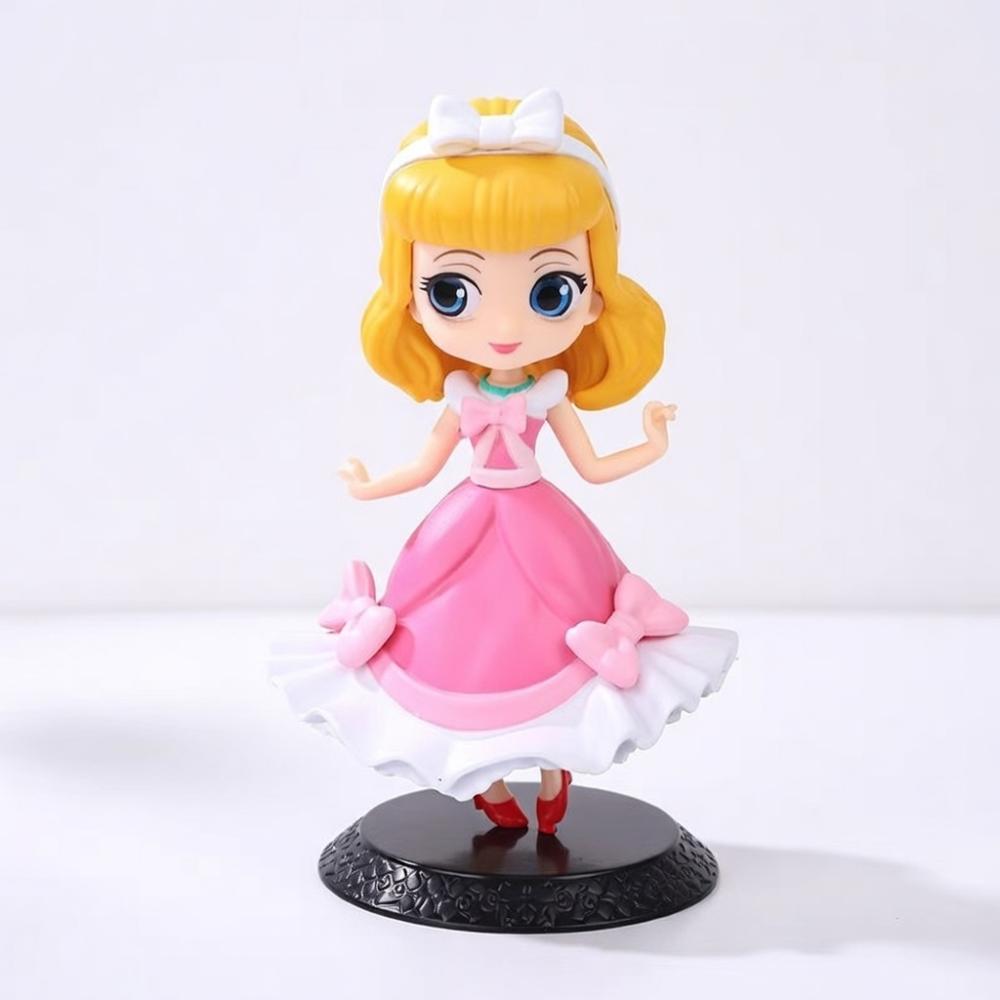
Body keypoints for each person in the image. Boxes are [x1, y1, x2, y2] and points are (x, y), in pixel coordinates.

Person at [269, 89, 738, 835]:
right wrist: (370, 486)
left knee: (554, 641)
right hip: (464, 522)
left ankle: (553, 770)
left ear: (593, 297)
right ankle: (485, 782)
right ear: (410, 299)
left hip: (543, 525)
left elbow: (591, 467)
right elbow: (424, 467)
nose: (506, 324)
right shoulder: (461, 397)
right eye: (453, 291)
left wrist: (651, 442)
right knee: (450, 646)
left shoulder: (549, 394)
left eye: (550, 291)